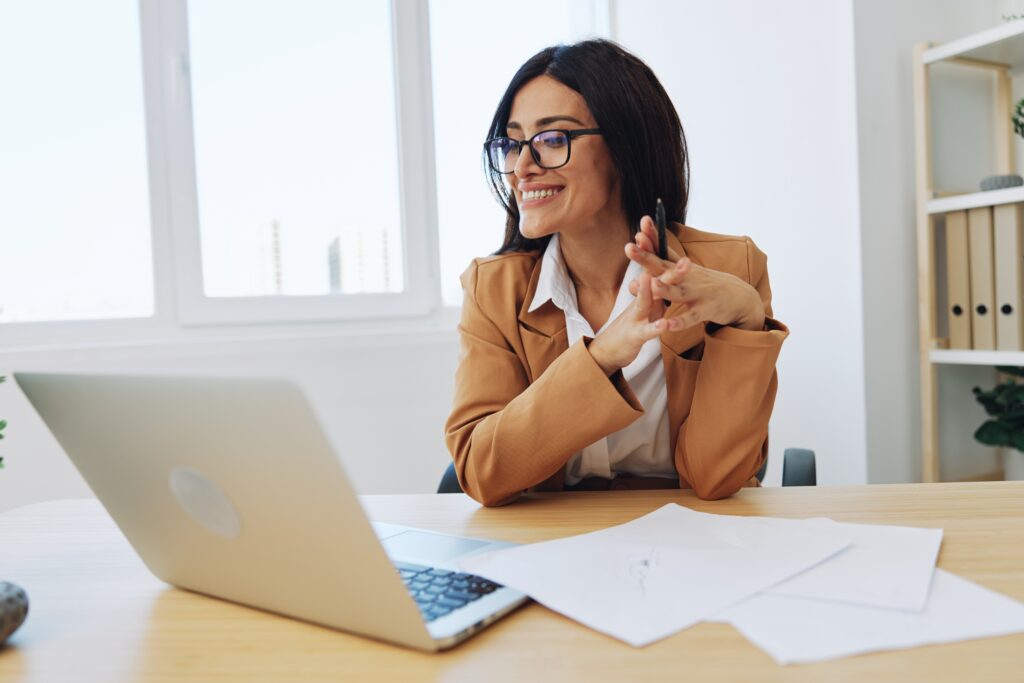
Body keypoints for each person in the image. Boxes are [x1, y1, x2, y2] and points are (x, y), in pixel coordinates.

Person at [444, 40, 788, 507]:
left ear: (626, 146)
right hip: (555, 537)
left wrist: (746, 317)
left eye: (552, 139)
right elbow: (483, 472)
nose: (521, 167)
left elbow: (716, 478)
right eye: (512, 143)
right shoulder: (493, 290)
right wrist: (602, 355)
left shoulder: (732, 269)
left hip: (692, 535)